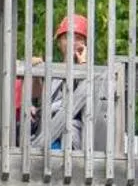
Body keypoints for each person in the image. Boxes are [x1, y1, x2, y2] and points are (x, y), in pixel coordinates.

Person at [34, 13, 117, 154]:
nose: (73, 42)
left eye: (78, 38)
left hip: (74, 139)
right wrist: (34, 70)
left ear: (85, 43)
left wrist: (84, 64)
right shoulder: (51, 71)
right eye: (68, 37)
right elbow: (36, 96)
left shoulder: (95, 74)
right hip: (45, 135)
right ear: (60, 42)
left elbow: (95, 106)